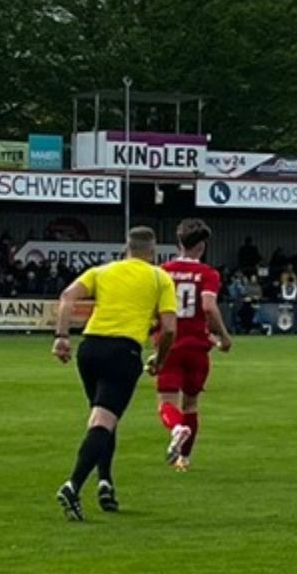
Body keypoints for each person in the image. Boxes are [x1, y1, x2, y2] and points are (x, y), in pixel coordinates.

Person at [52, 226, 177, 520]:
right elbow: (170, 327)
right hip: (123, 352)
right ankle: (73, 485)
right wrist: (160, 357)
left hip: (90, 348)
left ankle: (105, 482)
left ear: (127, 247)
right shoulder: (160, 277)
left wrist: (61, 336)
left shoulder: (102, 271)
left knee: (103, 417)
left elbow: (67, 296)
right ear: (153, 250)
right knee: (104, 419)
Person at [157, 220, 233, 473]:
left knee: (167, 403)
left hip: (170, 346)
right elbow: (209, 307)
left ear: (179, 244)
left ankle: (176, 429)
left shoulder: (163, 271)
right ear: (202, 246)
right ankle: (184, 459)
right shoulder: (208, 274)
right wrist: (223, 336)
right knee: (191, 404)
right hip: (197, 348)